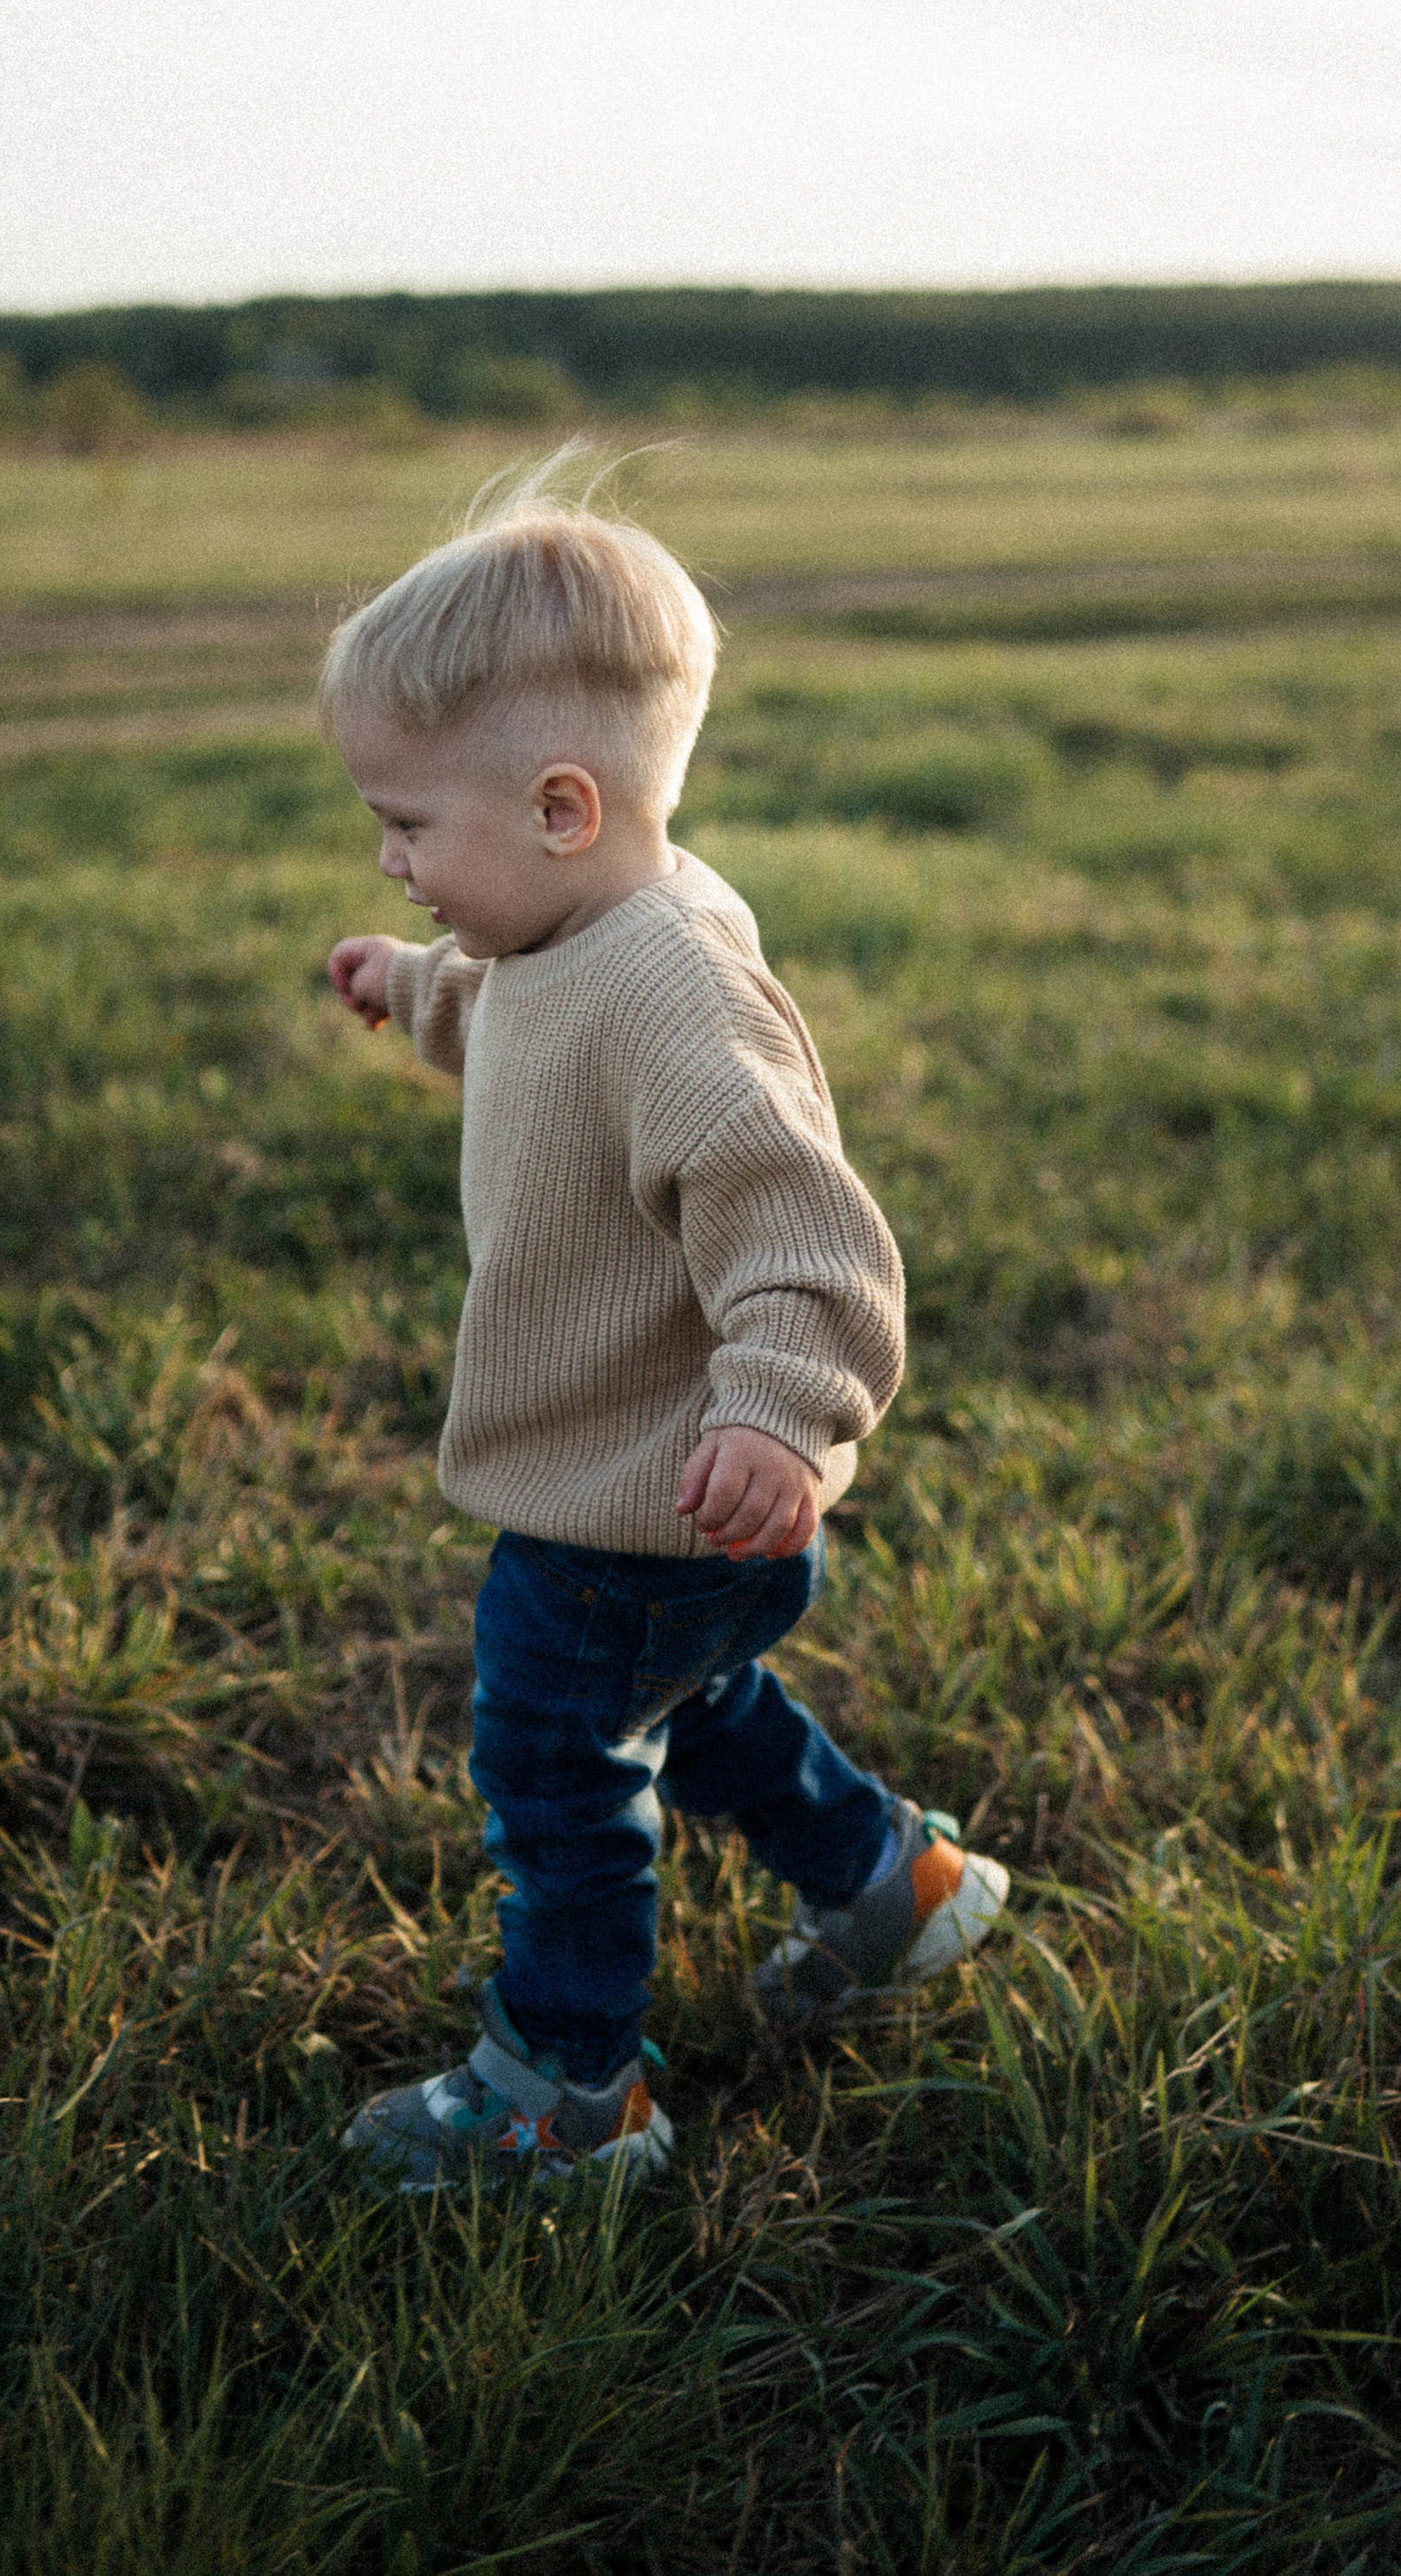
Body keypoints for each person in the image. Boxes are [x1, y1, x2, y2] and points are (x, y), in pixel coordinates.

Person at [319, 456, 1009, 2189]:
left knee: (555, 1767)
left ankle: (565, 2092)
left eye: (408, 826)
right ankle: (889, 1880)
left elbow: (808, 1234)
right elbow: (514, 1000)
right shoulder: (582, 923)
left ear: (562, 808)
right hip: (659, 1514)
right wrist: (411, 983)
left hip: (641, 1501)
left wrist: (778, 1412)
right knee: (690, 1709)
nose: (389, 855)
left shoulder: (677, 987)